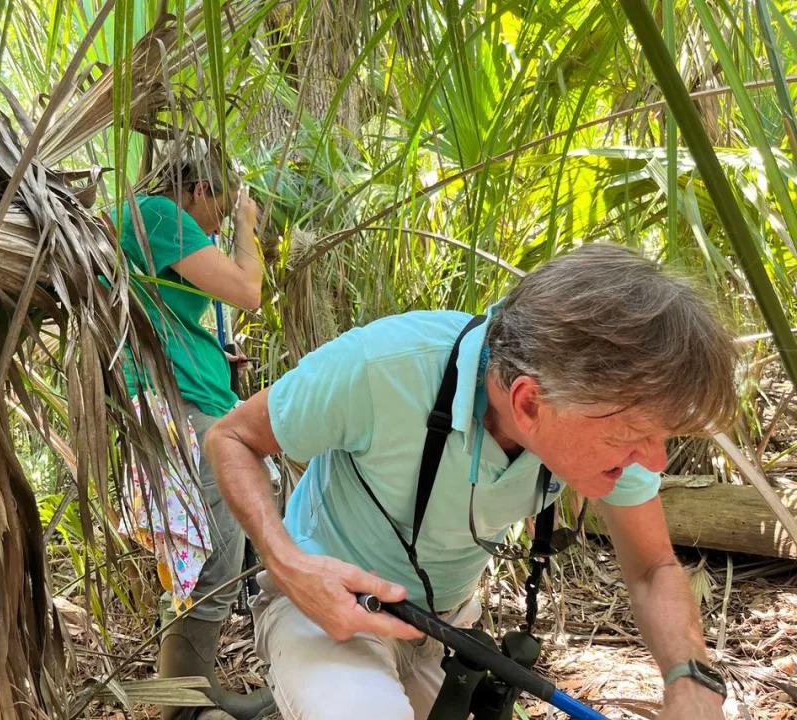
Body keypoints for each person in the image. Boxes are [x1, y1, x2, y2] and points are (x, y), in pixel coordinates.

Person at [205, 244, 736, 720]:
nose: (656, 460)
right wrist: (288, 563)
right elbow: (231, 438)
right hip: (320, 602)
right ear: (529, 403)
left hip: (446, 626)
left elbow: (651, 568)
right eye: (636, 435)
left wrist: (692, 680)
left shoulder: (597, 414)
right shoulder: (383, 368)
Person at [113, 147, 274, 720]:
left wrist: (215, 351)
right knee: (211, 560)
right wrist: (245, 226)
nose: (214, 226)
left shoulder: (153, 225)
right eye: (219, 209)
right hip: (184, 410)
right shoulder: (157, 214)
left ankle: (187, 698)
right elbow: (248, 290)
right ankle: (185, 709)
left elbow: (163, 315)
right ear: (202, 190)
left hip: (192, 402)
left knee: (197, 557)